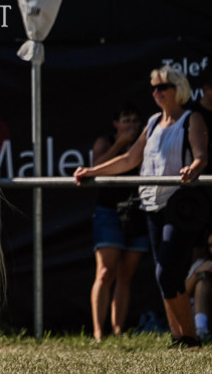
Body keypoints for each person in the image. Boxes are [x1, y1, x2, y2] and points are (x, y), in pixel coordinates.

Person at [75, 66, 209, 348]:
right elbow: (129, 160)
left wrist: (193, 169)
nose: (156, 92)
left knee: (166, 271)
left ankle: (191, 336)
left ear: (178, 89)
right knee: (165, 274)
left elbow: (201, 156)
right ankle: (180, 336)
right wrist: (92, 171)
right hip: (151, 205)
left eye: (163, 87)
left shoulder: (191, 118)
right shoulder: (151, 123)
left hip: (179, 204)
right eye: (154, 88)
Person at [87, 104, 147, 341]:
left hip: (136, 210)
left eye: (135, 119)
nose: (131, 124)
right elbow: (97, 168)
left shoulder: (145, 140)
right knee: (104, 272)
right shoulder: (105, 140)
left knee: (125, 275)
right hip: (108, 212)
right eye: (126, 119)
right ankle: (98, 332)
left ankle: (119, 329)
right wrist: (120, 145)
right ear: (116, 123)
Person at [186, 232, 212, 342]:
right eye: (211, 245)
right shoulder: (202, 264)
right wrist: (196, 274)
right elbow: (183, 295)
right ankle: (201, 330)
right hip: (205, 314)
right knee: (203, 283)